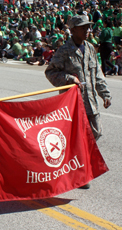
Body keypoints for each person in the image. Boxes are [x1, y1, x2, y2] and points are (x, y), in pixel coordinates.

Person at [45, 15, 111, 188]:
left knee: (96, 132)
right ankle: (80, 172)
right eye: (83, 28)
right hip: (73, 103)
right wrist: (68, 78)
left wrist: (105, 94)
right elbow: (50, 72)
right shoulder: (64, 50)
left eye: (88, 27)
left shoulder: (90, 48)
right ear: (72, 30)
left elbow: (97, 74)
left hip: (91, 101)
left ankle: (75, 164)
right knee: (78, 137)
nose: (87, 30)